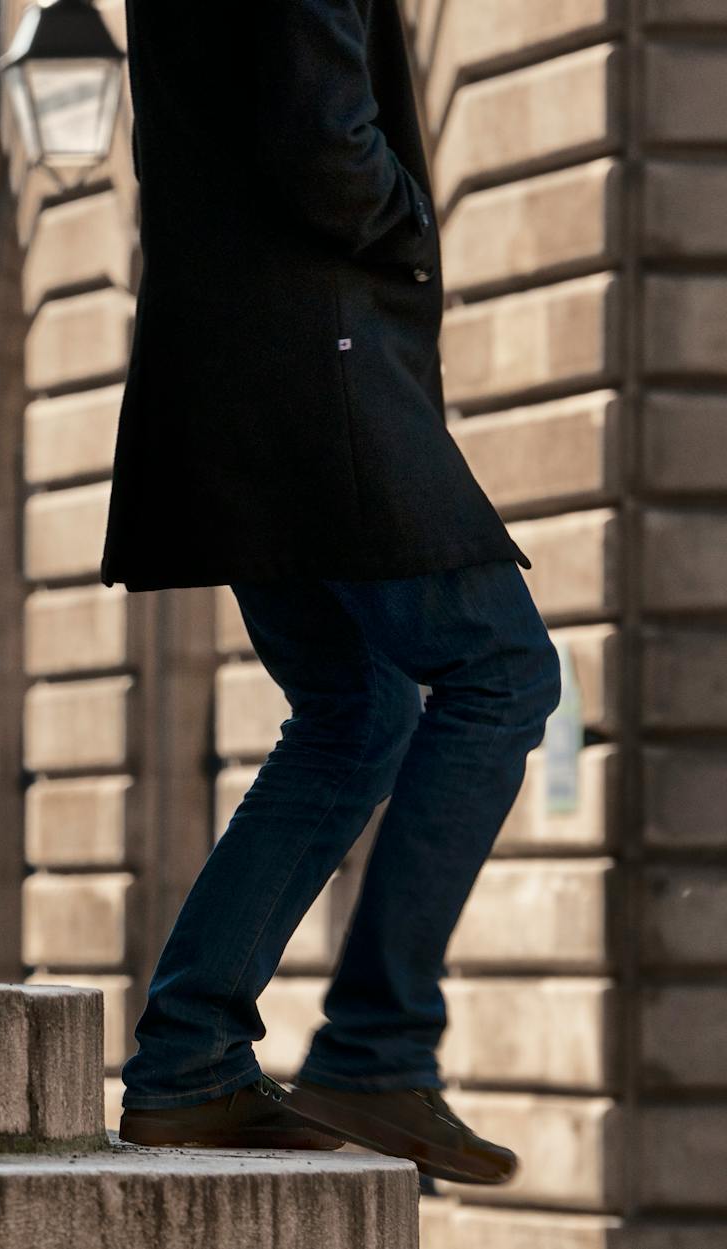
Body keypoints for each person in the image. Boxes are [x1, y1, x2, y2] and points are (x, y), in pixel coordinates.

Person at [101, 0, 561, 1186]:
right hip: (319, 360)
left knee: (355, 708)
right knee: (499, 671)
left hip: (248, 372)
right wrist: (403, 225)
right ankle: (374, 1045)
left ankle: (188, 1059)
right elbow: (320, 139)